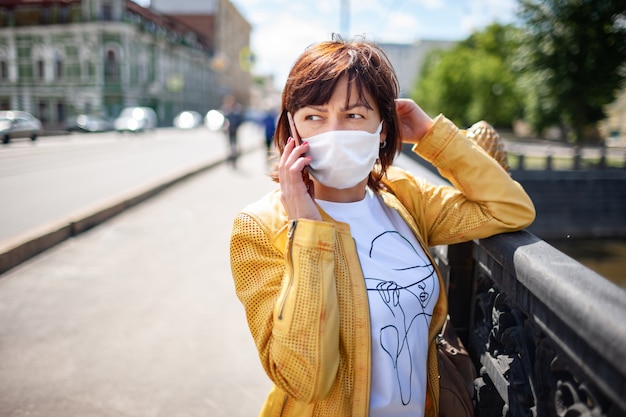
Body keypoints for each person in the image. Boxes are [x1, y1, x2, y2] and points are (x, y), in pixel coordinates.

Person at [229, 36, 535, 417]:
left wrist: (430, 135)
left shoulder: (404, 197)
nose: (333, 131)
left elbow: (510, 209)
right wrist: (307, 230)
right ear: (292, 127)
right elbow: (305, 380)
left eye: (354, 115)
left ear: (384, 128)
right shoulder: (259, 229)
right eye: (314, 116)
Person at [221, 94, 243, 168]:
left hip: (234, 130)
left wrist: (236, 126)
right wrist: (224, 127)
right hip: (228, 130)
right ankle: (230, 158)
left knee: (234, 145)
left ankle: (234, 159)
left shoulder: (236, 109)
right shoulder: (225, 109)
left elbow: (240, 120)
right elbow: (223, 120)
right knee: (229, 145)